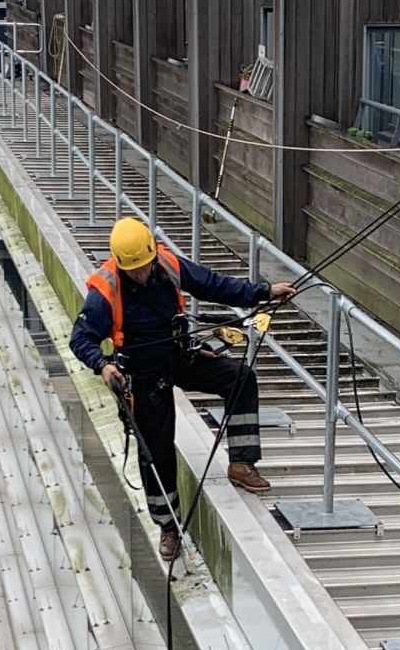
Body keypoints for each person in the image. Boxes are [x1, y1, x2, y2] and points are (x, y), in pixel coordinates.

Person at [70, 217, 295, 564]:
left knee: (240, 378)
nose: (142, 274)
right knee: (157, 455)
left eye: (145, 267)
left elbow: (213, 285)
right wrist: (103, 364)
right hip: (143, 377)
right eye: (135, 271)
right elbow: (80, 338)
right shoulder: (106, 289)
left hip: (178, 356)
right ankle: (169, 527)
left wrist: (263, 292)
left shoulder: (167, 264)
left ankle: (241, 463)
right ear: (121, 264)